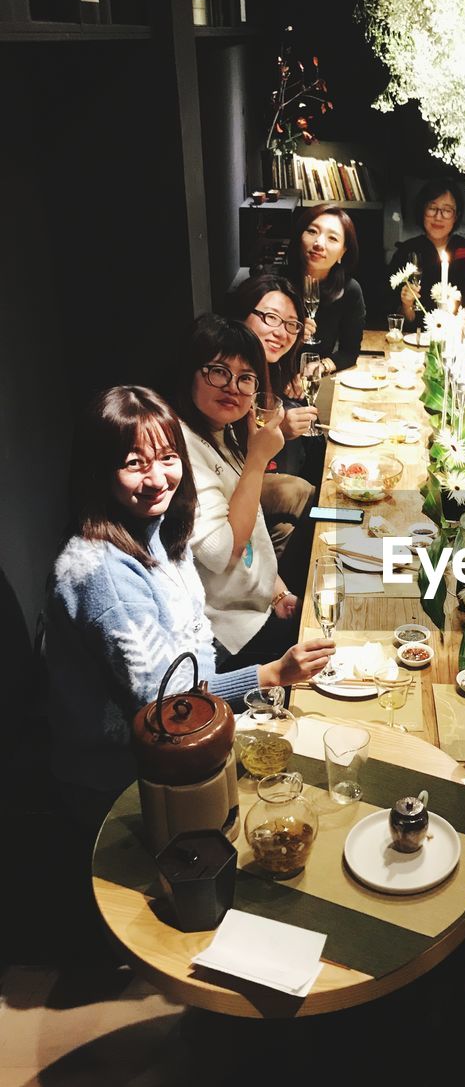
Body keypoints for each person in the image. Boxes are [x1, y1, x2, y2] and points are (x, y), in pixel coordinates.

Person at [43, 386, 336, 828]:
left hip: (192, 732)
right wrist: (270, 675)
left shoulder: (156, 526)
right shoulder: (102, 574)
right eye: (133, 464)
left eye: (166, 458)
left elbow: (190, 664)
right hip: (126, 780)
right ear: (98, 471)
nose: (157, 478)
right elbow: (169, 708)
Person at [166, 314, 306, 672]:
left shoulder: (221, 431)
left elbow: (251, 528)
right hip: (225, 639)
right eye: (218, 372)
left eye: (245, 378)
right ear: (189, 373)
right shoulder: (178, 447)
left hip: (254, 611)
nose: (232, 387)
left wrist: (277, 592)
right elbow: (223, 552)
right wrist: (258, 459)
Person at [226, 273, 319, 558]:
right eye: (270, 318)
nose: (281, 332)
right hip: (227, 482)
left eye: (291, 325)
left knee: (284, 531)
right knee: (302, 492)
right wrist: (281, 432)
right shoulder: (231, 366)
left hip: (249, 472)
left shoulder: (267, 365)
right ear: (243, 314)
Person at [283, 204, 365, 376]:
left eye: (332, 238)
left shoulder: (349, 290)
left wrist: (320, 367)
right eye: (312, 231)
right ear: (299, 237)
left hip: (315, 381)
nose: (319, 243)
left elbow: (349, 352)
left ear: (343, 252)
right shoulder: (276, 285)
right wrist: (288, 335)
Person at [388, 177, 465, 325]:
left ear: (456, 216)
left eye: (447, 210)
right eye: (432, 209)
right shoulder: (406, 253)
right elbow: (397, 319)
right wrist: (407, 305)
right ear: (422, 211)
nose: (438, 217)